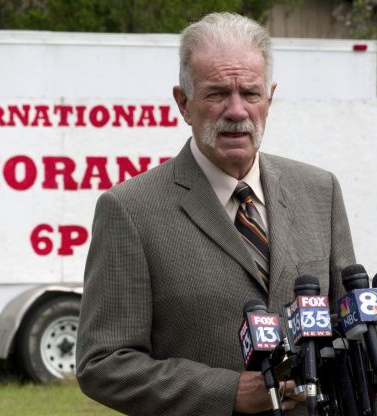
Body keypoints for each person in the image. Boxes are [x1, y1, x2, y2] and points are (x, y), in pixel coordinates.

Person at [76, 12, 355, 416]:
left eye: (251, 93)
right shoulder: (130, 210)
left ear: (270, 99)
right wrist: (228, 393)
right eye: (217, 93)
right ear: (183, 103)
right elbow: (103, 364)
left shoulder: (320, 191)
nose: (237, 110)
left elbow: (352, 329)